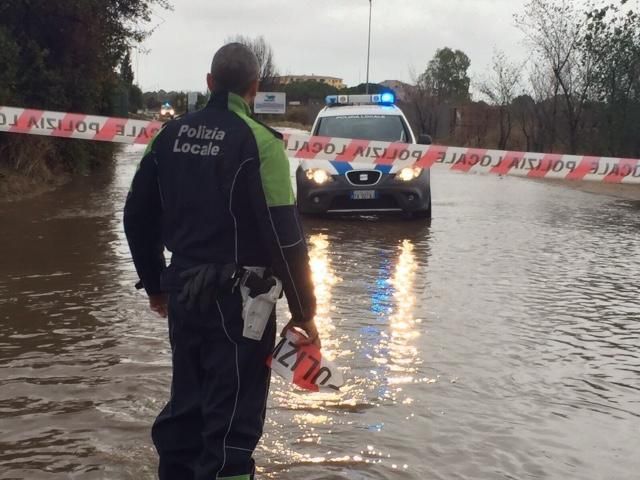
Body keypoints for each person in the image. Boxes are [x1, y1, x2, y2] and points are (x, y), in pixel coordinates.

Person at [123, 43, 319, 480]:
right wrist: (305, 312)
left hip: (183, 295)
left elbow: (136, 214)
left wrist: (155, 283)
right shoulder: (262, 144)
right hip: (241, 307)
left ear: (208, 83)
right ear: (254, 88)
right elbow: (286, 239)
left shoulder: (168, 136)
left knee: (186, 411)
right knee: (231, 426)